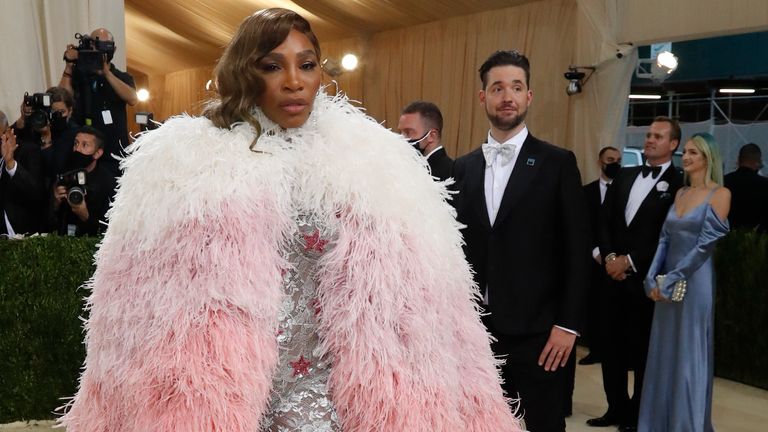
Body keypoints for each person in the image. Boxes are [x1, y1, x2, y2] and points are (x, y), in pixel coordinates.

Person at [59, 9, 520, 432]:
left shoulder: (377, 166)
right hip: (227, 402)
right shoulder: (186, 169)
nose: (294, 81)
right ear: (245, 71)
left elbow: (432, 311)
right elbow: (134, 316)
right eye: (273, 65)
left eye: (307, 64)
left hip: (340, 403)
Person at [452, 49, 590, 432]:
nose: (507, 96)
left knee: (543, 425)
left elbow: (577, 251)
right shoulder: (463, 168)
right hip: (476, 333)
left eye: (516, 87)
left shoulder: (558, 163)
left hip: (540, 334)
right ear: (483, 98)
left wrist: (568, 325)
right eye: (497, 88)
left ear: (529, 96)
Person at [592, 117, 684, 432]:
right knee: (610, 346)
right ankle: (615, 408)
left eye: (657, 136)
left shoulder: (678, 184)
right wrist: (610, 257)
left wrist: (629, 261)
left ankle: (637, 415)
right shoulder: (625, 175)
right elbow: (604, 220)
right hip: (611, 276)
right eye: (648, 135)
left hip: (644, 280)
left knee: (642, 351)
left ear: (673, 144)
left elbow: (666, 235)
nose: (649, 140)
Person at [639, 132, 730, 432]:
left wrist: (672, 278)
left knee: (689, 353)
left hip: (696, 282)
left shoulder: (720, 194)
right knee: (663, 352)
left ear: (708, 158)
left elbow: (704, 247)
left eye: (693, 153)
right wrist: (652, 276)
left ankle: (686, 425)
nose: (686, 157)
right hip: (666, 282)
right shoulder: (679, 194)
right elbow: (664, 239)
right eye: (686, 152)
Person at [59, 27, 138, 177]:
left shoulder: (121, 77)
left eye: (105, 46)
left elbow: (133, 99)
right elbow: (63, 98)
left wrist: (106, 73)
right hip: (83, 152)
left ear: (113, 49)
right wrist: (69, 66)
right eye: (96, 46)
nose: (100, 52)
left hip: (114, 153)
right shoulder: (80, 73)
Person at [580, 146, 621, 366]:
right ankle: (594, 349)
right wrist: (596, 252)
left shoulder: (625, 189)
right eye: (610, 159)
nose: (615, 163)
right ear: (600, 162)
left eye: (618, 159)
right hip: (594, 259)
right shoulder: (586, 192)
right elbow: (582, 226)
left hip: (618, 260)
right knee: (594, 305)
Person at [50, 127, 116, 236]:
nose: (77, 149)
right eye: (76, 143)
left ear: (98, 153)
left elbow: (110, 230)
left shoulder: (108, 182)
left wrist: (85, 216)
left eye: (85, 145)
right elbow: (47, 222)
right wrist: (55, 203)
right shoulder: (63, 173)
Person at [0, 110, 44, 236]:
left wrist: (11, 163)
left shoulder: (29, 152)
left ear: (8, 132)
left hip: (19, 235)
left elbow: (36, 193)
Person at [398, 100, 454, 181]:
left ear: (431, 136)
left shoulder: (449, 174)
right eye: (400, 132)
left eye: (408, 132)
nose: (402, 138)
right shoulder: (409, 167)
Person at [724, 143, 768, 232]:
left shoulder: (723, 182)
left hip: (726, 241)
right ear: (758, 161)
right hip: (757, 242)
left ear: (738, 159)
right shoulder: (765, 185)